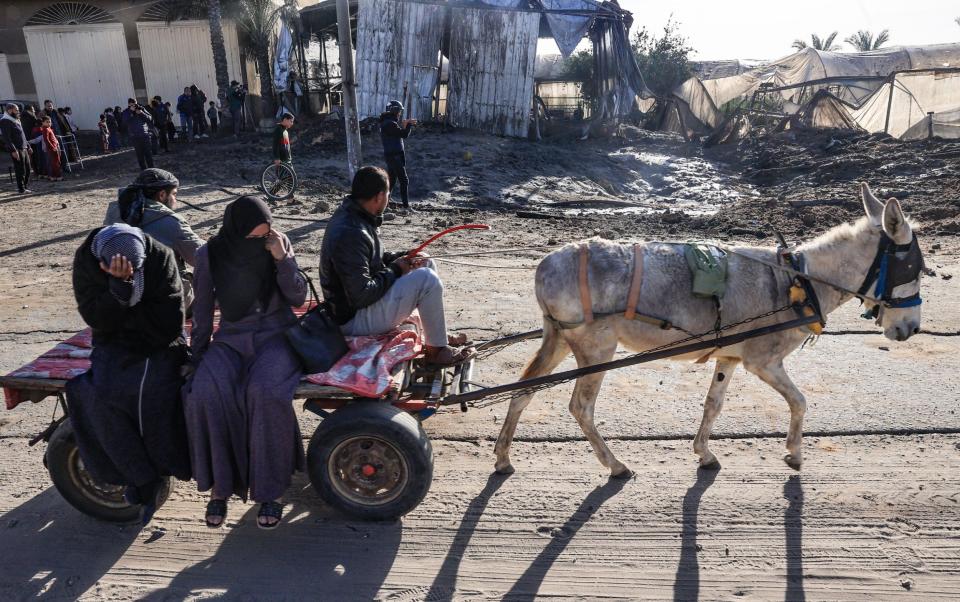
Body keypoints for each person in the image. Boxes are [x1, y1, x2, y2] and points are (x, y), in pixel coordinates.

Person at [183, 196, 307, 530]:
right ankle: (220, 489)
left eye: (263, 236)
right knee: (206, 392)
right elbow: (204, 312)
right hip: (231, 339)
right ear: (236, 231)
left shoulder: (277, 244)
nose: (260, 243)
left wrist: (283, 260)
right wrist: (198, 358)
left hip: (277, 336)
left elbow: (298, 297)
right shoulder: (210, 254)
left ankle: (271, 492)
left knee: (264, 392)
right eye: (253, 238)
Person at [67, 223, 192, 526]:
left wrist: (128, 311)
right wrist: (119, 290)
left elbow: (171, 319)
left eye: (136, 271)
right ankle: (140, 477)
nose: (133, 274)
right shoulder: (87, 261)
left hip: (158, 344)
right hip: (113, 344)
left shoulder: (159, 257)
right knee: (99, 395)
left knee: (153, 396)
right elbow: (95, 316)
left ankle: (159, 473)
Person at [320, 166, 472, 366]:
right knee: (427, 280)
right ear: (380, 196)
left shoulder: (358, 216)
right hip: (353, 321)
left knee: (425, 261)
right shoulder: (351, 232)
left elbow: (374, 260)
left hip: (360, 308)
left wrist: (403, 258)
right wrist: (396, 269)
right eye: (388, 194)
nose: (388, 199)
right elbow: (361, 295)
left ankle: (436, 337)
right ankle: (436, 353)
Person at [105, 168, 202, 309]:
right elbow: (199, 257)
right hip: (166, 304)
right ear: (162, 195)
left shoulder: (114, 215)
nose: (176, 200)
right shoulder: (171, 222)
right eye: (174, 194)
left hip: (121, 301)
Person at [379, 100, 416, 211]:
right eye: (399, 111)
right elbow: (404, 135)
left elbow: (399, 134)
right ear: (394, 111)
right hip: (394, 156)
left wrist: (405, 125)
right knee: (404, 180)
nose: (400, 113)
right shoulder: (389, 124)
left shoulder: (387, 122)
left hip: (392, 156)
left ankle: (384, 205)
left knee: (392, 181)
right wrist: (408, 124)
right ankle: (405, 207)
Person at [1, 103, 33, 194]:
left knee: (27, 168)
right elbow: (7, 138)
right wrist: (13, 150)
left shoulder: (16, 119)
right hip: (17, 149)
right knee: (20, 169)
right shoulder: (5, 121)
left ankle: (25, 186)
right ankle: (21, 189)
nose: (18, 111)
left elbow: (22, 135)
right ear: (9, 110)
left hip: (24, 147)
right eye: (16, 110)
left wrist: (28, 146)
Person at [122, 98, 155, 170]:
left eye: (135, 103)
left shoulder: (141, 109)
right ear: (129, 104)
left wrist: (141, 113)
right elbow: (124, 122)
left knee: (148, 154)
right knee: (140, 155)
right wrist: (131, 112)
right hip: (135, 137)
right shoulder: (126, 112)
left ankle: (152, 170)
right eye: (132, 104)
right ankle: (143, 170)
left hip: (145, 135)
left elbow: (149, 118)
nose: (134, 105)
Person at [38, 116, 62, 181]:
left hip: (54, 147)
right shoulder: (45, 129)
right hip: (51, 148)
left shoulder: (49, 128)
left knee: (56, 162)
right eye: (47, 122)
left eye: (50, 122)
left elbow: (52, 138)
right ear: (43, 123)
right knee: (54, 163)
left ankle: (55, 176)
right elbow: (46, 140)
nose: (49, 123)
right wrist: (52, 147)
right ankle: (55, 176)